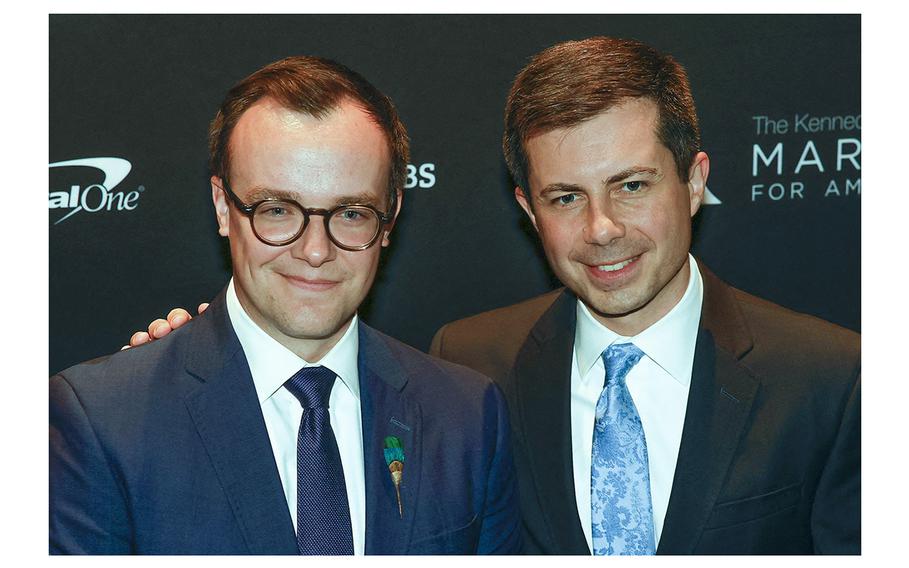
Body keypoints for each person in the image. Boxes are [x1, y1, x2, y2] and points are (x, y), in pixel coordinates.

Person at [126, 37, 861, 555]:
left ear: (695, 181)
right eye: (565, 196)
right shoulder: (474, 365)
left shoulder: (834, 379)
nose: (602, 229)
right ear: (526, 207)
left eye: (631, 186)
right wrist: (199, 365)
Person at [49, 56, 520, 555]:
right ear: (221, 207)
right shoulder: (103, 421)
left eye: (351, 213)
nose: (315, 250)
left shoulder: (466, 416)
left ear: (389, 218)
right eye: (276, 210)